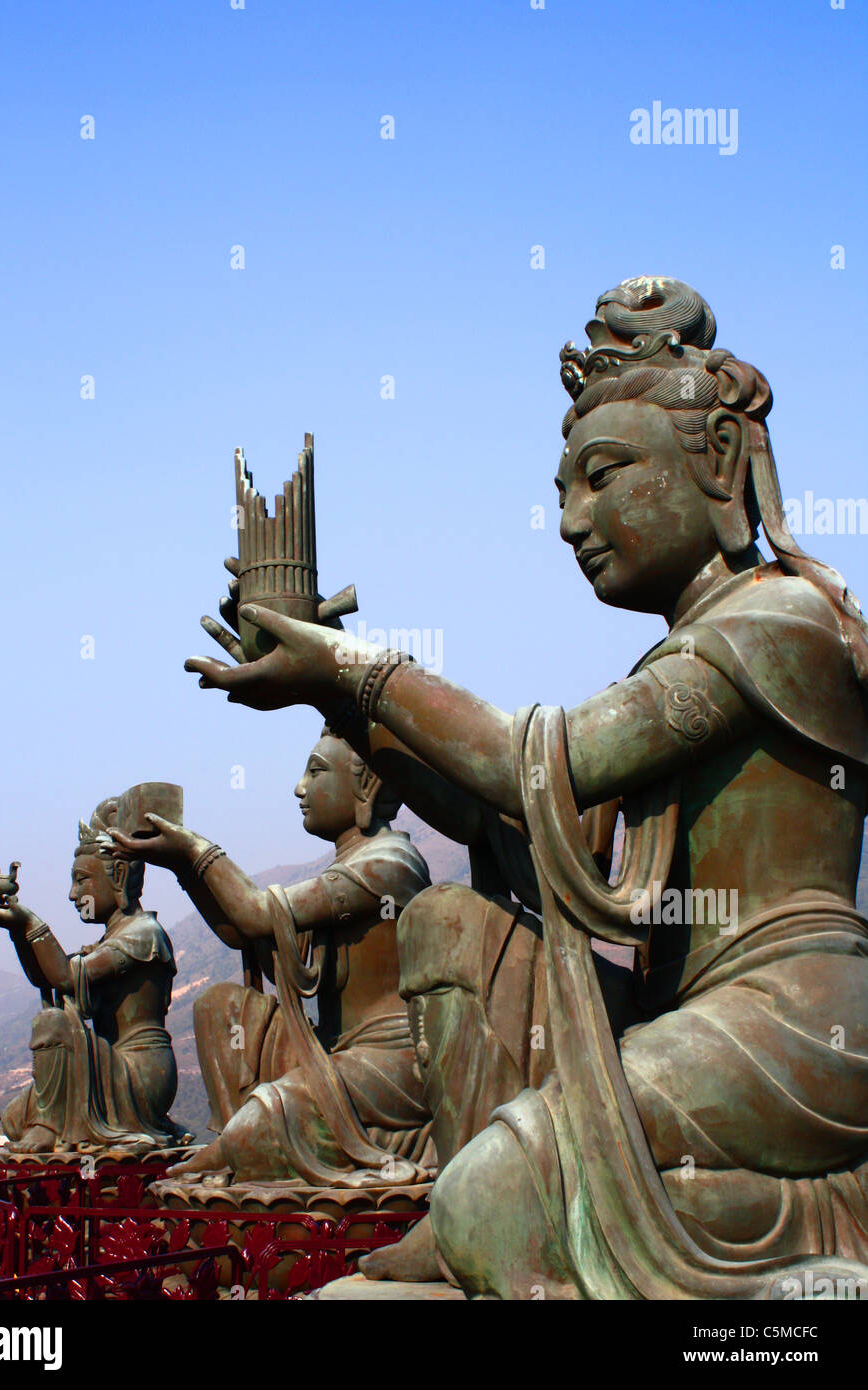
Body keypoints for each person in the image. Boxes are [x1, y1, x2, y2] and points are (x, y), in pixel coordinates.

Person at [181, 278, 868, 1297]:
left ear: (717, 462)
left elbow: (532, 757)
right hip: (688, 1007)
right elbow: (516, 816)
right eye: (562, 493)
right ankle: (780, 1217)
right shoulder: (685, 655)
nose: (570, 520)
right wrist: (337, 705)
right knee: (453, 921)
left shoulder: (774, 626)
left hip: (796, 1020)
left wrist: (350, 664)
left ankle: (825, 1217)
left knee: (496, 1201)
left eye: (603, 475)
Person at [110, 727, 434, 1186]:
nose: (299, 788)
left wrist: (195, 848)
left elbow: (260, 914)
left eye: (316, 772)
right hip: (331, 1050)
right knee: (218, 1006)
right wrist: (183, 865)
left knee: (265, 1122)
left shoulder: (387, 865)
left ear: (366, 786)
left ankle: (235, 1153)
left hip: (387, 1062)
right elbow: (247, 934)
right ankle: (235, 1143)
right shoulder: (344, 869)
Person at [0, 798, 189, 1153]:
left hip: (139, 1074)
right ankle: (45, 1122)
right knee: (12, 1119)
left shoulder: (143, 934)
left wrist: (31, 924)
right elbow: (46, 978)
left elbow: (67, 980)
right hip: (105, 1064)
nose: (73, 894)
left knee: (53, 1023)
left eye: (82, 881)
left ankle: (48, 1126)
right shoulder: (106, 942)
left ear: (118, 876)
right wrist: (17, 932)